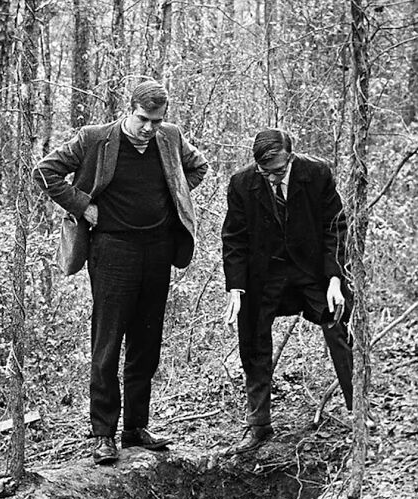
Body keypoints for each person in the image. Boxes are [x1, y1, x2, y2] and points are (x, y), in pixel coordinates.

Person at [33, 80, 208, 465]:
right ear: (129, 110)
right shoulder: (96, 139)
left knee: (147, 342)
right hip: (112, 250)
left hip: (158, 250)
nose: (149, 128)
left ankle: (135, 428)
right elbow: (46, 171)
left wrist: (174, 198)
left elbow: (198, 167)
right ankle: (103, 435)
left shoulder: (171, 138)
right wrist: (83, 206)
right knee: (108, 342)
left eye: (157, 121)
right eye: (144, 119)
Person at [222, 128, 353, 453]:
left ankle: (359, 413)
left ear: (291, 158)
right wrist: (236, 288)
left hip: (311, 271)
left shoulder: (316, 172)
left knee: (339, 321)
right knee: (251, 337)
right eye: (264, 172)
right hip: (262, 276)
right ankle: (258, 425)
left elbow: (335, 226)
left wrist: (335, 279)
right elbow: (234, 238)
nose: (271, 178)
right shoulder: (242, 183)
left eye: (278, 171)